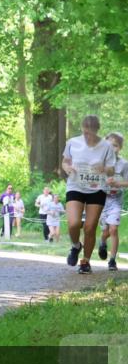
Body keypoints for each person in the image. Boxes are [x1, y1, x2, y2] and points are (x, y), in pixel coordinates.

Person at [61, 115, 116, 274]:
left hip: (97, 187)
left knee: (90, 227)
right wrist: (67, 168)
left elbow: (112, 169)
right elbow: (65, 161)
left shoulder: (106, 146)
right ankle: (75, 246)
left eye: (91, 133)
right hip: (75, 185)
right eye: (85, 133)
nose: (88, 136)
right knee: (73, 223)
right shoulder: (73, 142)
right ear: (82, 129)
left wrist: (104, 169)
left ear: (97, 130)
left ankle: (85, 261)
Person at [98, 132, 127, 271]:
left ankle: (112, 260)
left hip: (115, 200)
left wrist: (118, 183)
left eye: (115, 146)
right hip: (101, 200)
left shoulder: (123, 164)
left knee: (114, 229)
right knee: (106, 231)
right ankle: (103, 241)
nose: (112, 148)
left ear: (120, 148)